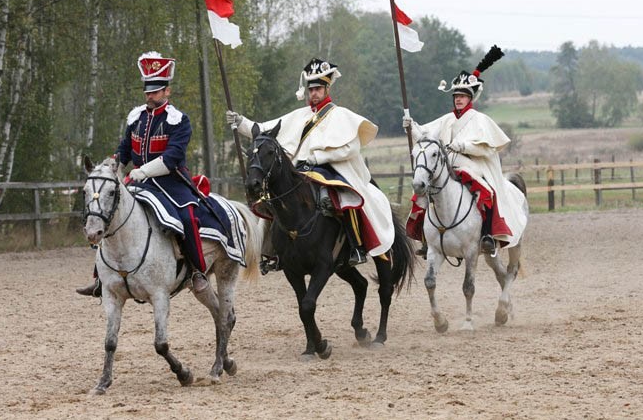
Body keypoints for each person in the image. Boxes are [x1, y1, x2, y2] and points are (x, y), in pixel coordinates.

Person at [226, 58, 395, 271]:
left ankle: (356, 246)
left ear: (326, 88)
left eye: (318, 89)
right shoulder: (300, 115)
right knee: (274, 198)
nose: (313, 93)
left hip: (331, 169)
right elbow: (262, 129)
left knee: (344, 196)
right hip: (301, 170)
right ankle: (271, 252)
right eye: (311, 89)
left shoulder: (341, 115)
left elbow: (350, 149)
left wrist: (319, 157)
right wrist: (240, 121)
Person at [77, 51, 214, 296]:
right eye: (147, 91)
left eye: (155, 91)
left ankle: (196, 271)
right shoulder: (136, 118)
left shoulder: (179, 120)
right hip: (139, 184)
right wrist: (109, 168)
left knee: (187, 217)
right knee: (109, 215)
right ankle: (99, 278)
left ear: (167, 91)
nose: (150, 96)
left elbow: (172, 158)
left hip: (172, 183)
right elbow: (124, 151)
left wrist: (142, 171)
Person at [403, 45, 527, 258]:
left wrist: (463, 146)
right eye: (456, 96)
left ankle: (488, 235)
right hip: (448, 166)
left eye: (463, 96)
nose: (458, 99)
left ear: (470, 98)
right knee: (424, 191)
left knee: (486, 192)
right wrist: (411, 124)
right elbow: (424, 134)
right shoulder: (447, 119)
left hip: (473, 166)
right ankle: (427, 238)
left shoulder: (480, 120)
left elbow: (487, 147)